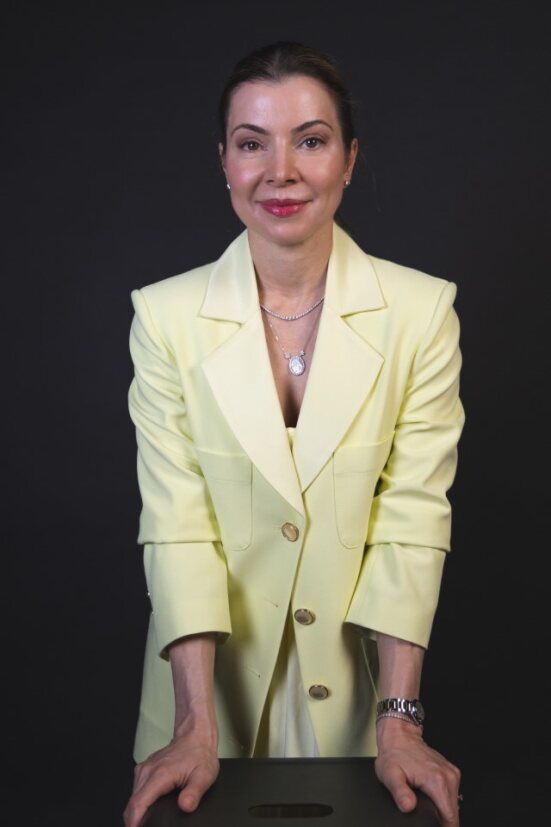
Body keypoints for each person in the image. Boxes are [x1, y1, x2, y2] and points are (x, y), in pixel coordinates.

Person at [124, 41, 465, 827]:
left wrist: (398, 719)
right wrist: (194, 724)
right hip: (202, 703)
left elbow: (411, 520)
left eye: (310, 140)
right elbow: (178, 524)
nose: (280, 172)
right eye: (252, 144)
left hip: (359, 705)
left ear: (349, 159)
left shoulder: (421, 313)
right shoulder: (164, 317)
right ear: (224, 161)